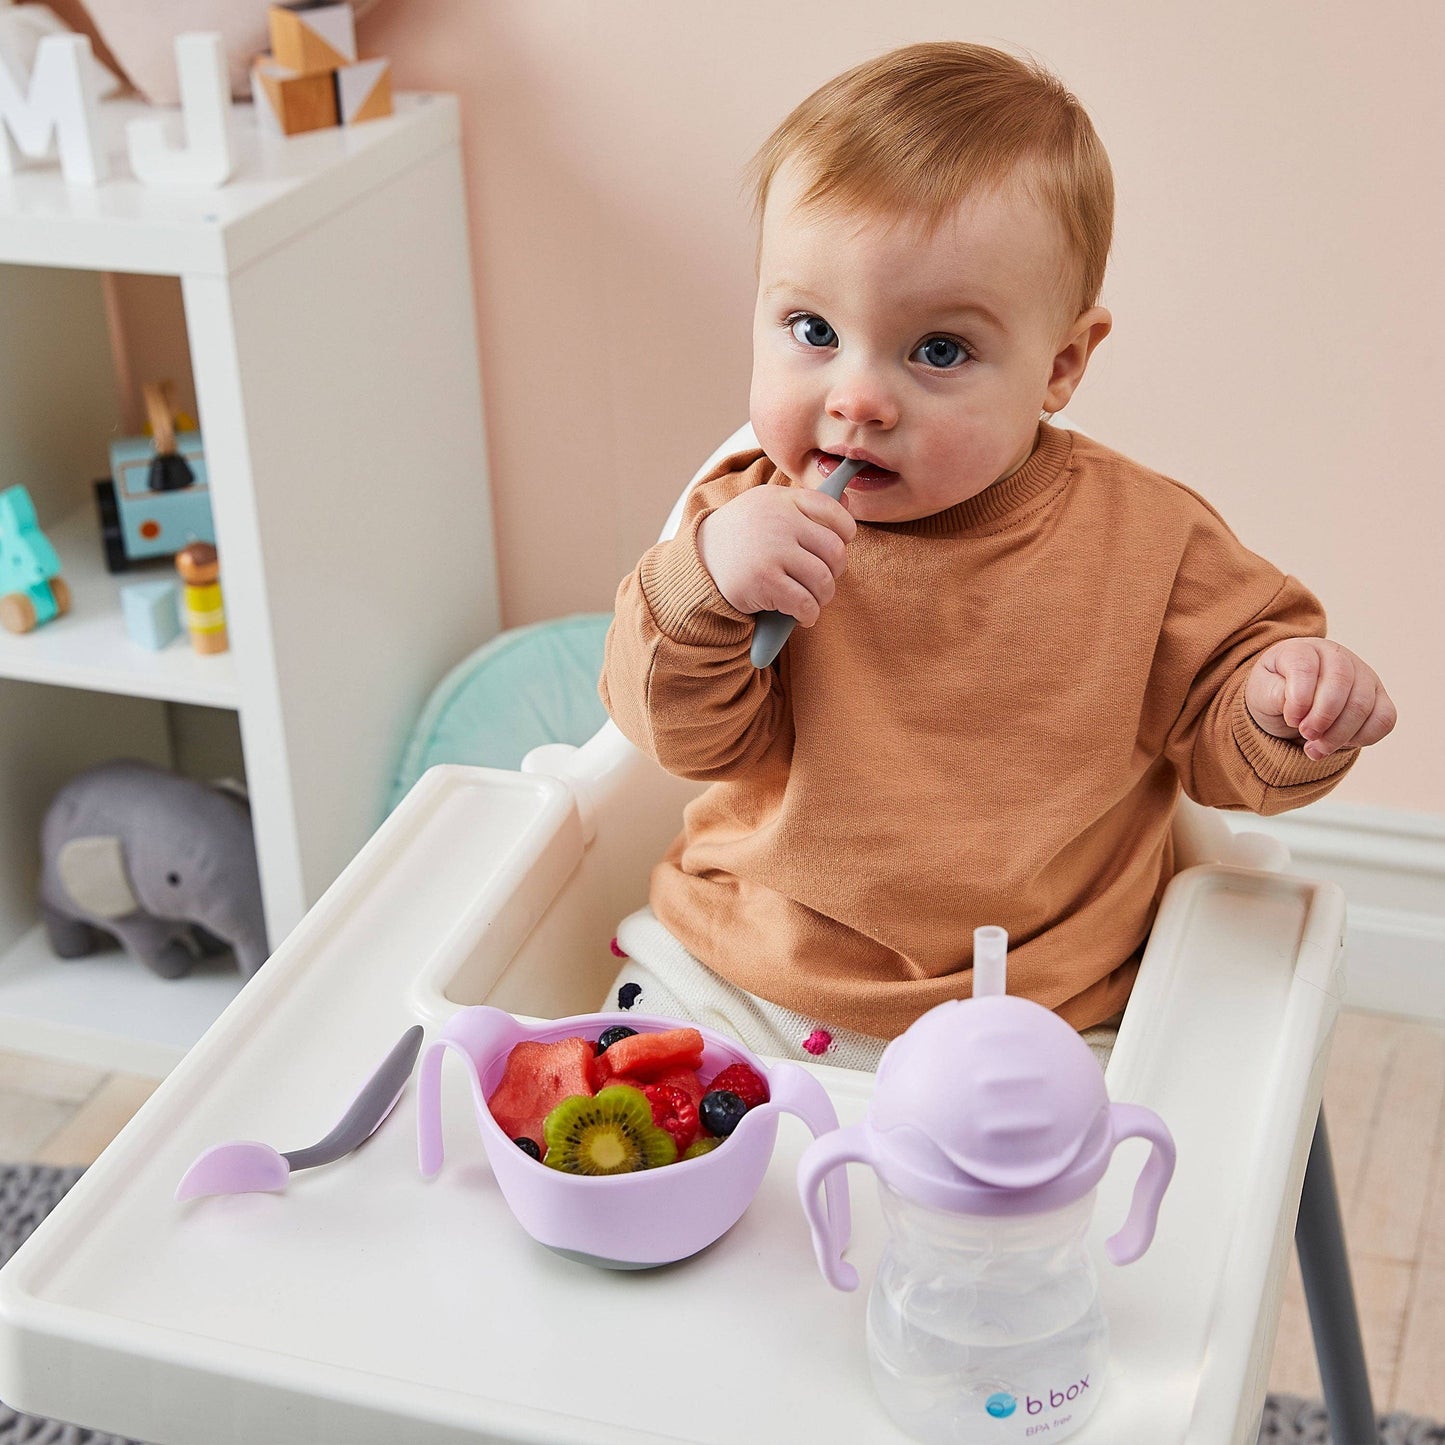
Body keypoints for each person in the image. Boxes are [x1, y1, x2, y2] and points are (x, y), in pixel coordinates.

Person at [597, 41, 1395, 1071]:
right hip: (734, 971)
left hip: (1028, 1018)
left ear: (1059, 363)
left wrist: (1288, 706)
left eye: (937, 350)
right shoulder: (744, 519)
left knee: (1096, 1209)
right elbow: (673, 734)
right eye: (810, 328)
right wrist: (703, 580)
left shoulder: (1145, 542)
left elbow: (1226, 737)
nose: (857, 397)